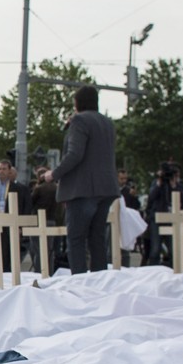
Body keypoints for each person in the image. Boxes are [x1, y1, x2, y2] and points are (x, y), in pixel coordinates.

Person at [52, 85, 118, 274]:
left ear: (77, 102)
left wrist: (53, 174)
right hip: (106, 189)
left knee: (76, 238)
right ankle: (99, 280)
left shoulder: (79, 121)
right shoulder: (107, 123)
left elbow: (75, 154)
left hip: (81, 189)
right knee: (97, 238)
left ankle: (79, 282)